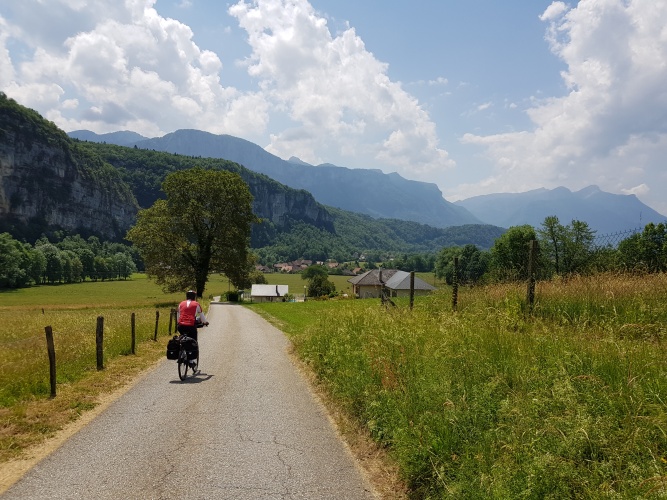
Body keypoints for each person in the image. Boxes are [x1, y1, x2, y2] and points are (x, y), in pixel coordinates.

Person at [177, 290, 209, 370]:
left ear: (186, 296)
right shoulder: (196, 304)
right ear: (194, 297)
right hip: (190, 326)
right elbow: (201, 316)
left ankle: (182, 351)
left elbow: (178, 316)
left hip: (181, 326)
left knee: (182, 338)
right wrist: (205, 323)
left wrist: (179, 323)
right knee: (193, 342)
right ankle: (191, 361)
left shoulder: (181, 303)